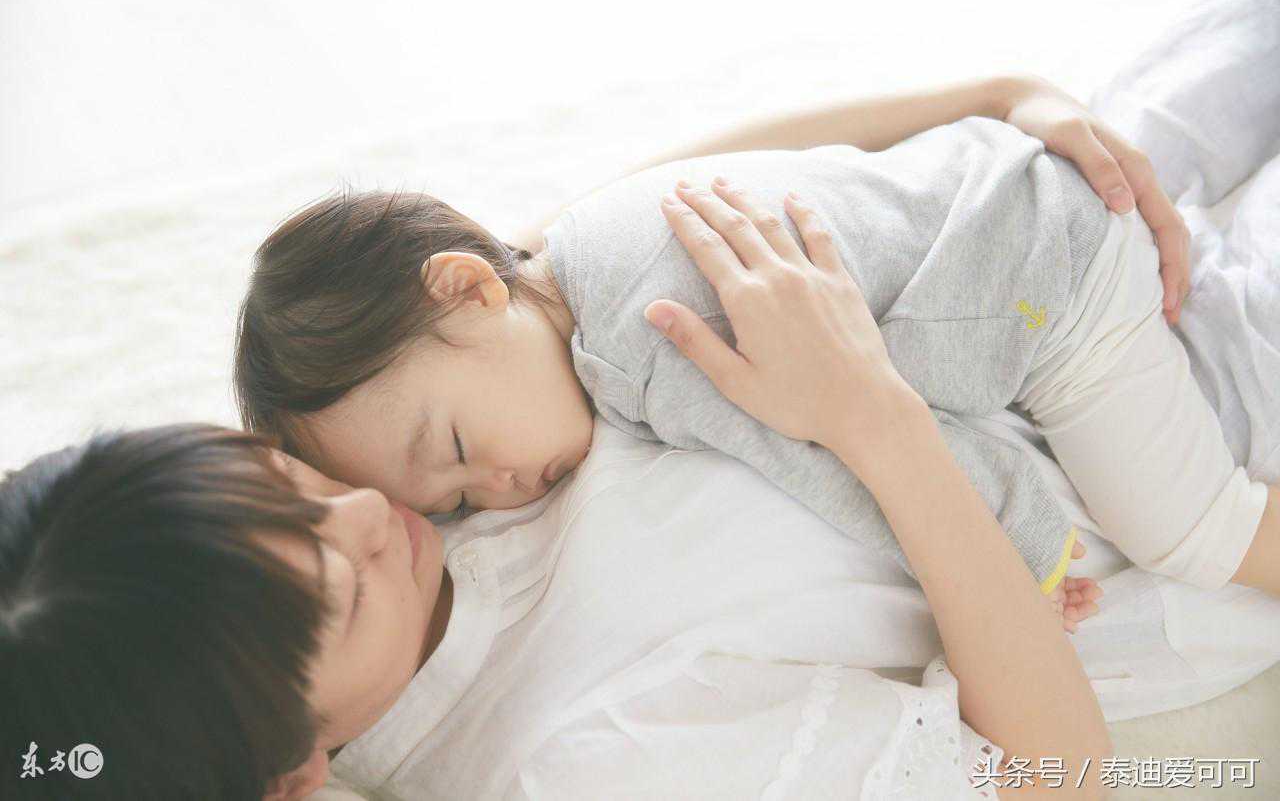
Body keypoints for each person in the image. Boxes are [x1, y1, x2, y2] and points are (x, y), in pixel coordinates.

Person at [0, 194, 1116, 799]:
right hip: (1102, 484)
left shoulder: (379, 476)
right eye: (343, 595)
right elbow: (1054, 778)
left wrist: (995, 98)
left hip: (996, 260)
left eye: (283, 483)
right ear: (294, 775)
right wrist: (875, 419)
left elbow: (555, 257)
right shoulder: (585, 761)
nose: (365, 514)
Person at [231, 72, 1277, 620]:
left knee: (1188, 533)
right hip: (988, 177)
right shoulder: (576, 242)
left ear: (468, 288)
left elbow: (845, 456)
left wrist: (1027, 549)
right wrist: (998, 98)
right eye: (459, 505)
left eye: (458, 448)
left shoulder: (654, 345)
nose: (500, 490)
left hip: (1053, 289)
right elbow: (779, 143)